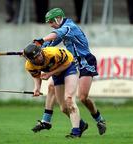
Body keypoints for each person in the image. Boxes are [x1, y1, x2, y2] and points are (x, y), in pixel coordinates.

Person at [32, 8, 106, 136]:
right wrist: (33, 50)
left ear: (58, 18)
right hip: (72, 62)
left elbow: (55, 35)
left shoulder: (69, 27)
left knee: (83, 97)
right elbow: (49, 44)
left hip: (85, 62)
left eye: (51, 21)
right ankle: (49, 121)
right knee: (51, 87)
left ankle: (99, 120)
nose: (50, 24)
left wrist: (41, 40)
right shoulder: (61, 30)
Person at [23, 43, 88, 138]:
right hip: (56, 74)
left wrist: (50, 73)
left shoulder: (52, 53)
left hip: (70, 67)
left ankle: (75, 132)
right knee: (64, 108)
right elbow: (36, 76)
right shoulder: (29, 65)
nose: (39, 58)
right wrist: (37, 88)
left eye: (39, 55)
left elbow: (67, 64)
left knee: (69, 99)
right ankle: (81, 124)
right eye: (35, 57)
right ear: (30, 59)